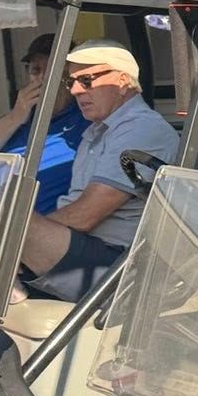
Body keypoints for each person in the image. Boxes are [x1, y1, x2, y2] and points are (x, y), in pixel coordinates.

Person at [18, 41, 179, 301]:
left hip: (119, 266)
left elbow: (86, 216)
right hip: (86, 253)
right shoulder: (95, 133)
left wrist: (17, 239)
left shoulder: (142, 129)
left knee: (1, 226)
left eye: (88, 80)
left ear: (124, 81)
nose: (77, 91)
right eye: (72, 83)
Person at [0, 32, 87, 214]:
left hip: (19, 226)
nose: (42, 79)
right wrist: (16, 116)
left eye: (53, 70)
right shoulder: (19, 118)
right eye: (35, 71)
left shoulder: (85, 119)